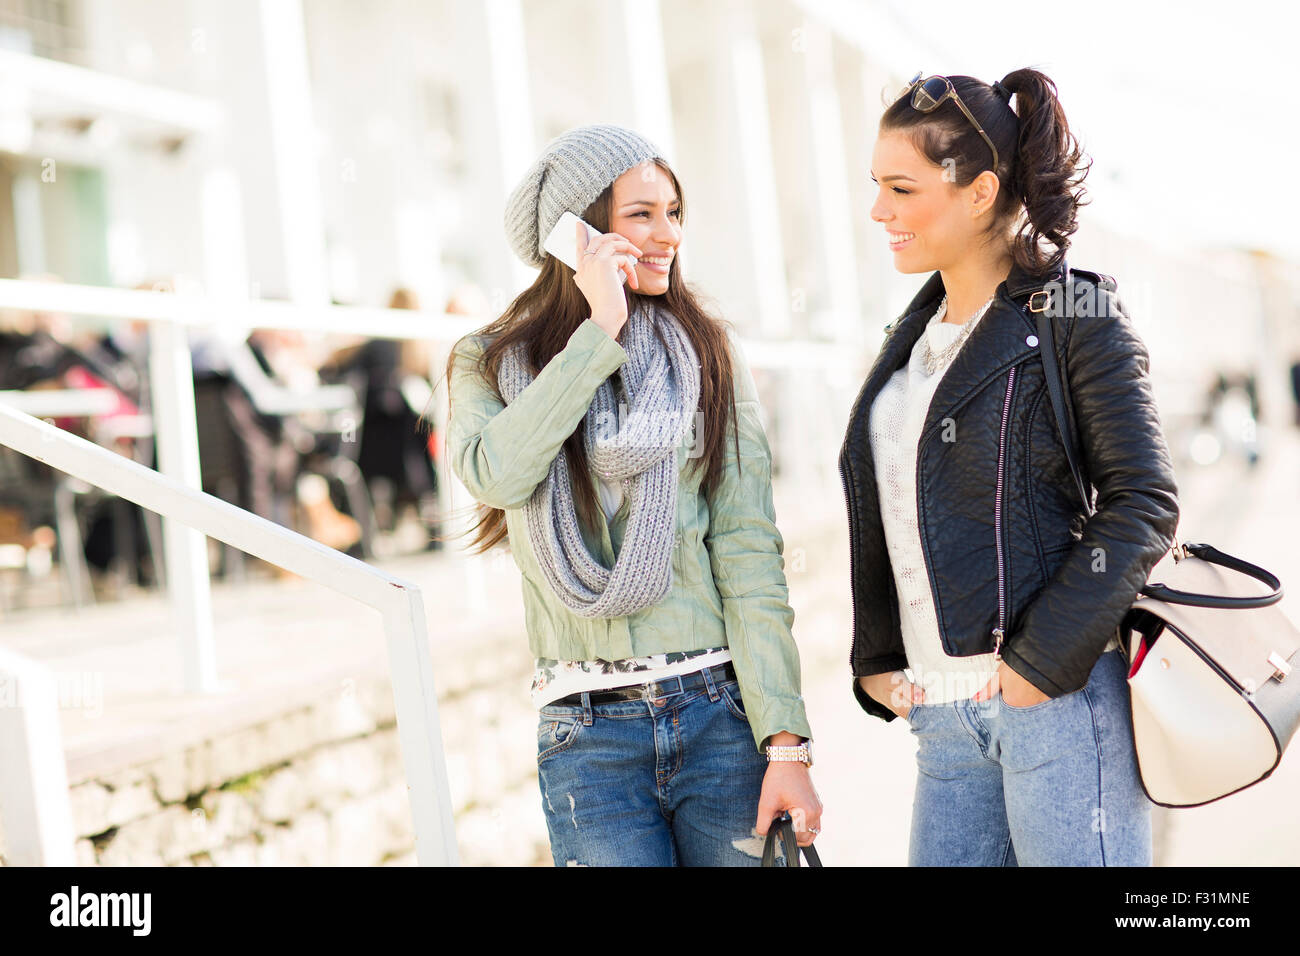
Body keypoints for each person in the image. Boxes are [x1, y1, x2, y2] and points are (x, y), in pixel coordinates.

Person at [445, 124, 820, 866]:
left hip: (717, 716)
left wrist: (788, 742)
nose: (667, 234)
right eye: (641, 214)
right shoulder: (489, 360)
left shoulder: (708, 355)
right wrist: (599, 331)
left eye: (674, 212)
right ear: (577, 232)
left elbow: (747, 546)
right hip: (586, 737)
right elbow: (495, 473)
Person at [841, 70, 1179, 865]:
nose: (878, 211)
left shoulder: (1077, 311)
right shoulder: (911, 336)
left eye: (901, 187)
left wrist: (1036, 667)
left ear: (980, 191)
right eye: (876, 186)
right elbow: (893, 497)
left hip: (1053, 708)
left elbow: (1143, 501)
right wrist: (879, 657)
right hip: (942, 720)